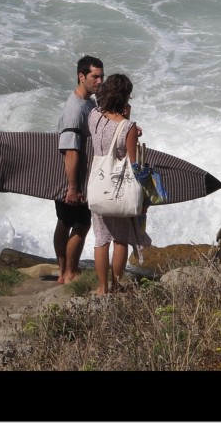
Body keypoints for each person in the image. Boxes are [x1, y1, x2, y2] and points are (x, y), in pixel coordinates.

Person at [87, 73, 152, 295]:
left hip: (98, 184)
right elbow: (133, 164)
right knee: (120, 240)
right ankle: (115, 286)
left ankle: (102, 287)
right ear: (124, 98)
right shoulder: (128, 127)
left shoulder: (93, 117)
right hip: (120, 188)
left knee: (101, 239)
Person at [54, 55, 104, 284]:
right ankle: (70, 272)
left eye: (101, 76)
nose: (100, 81)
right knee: (82, 224)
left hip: (70, 176)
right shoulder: (75, 108)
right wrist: (73, 187)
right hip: (73, 178)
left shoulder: (88, 102)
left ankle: (63, 271)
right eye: (95, 76)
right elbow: (71, 150)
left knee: (64, 222)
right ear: (81, 76)